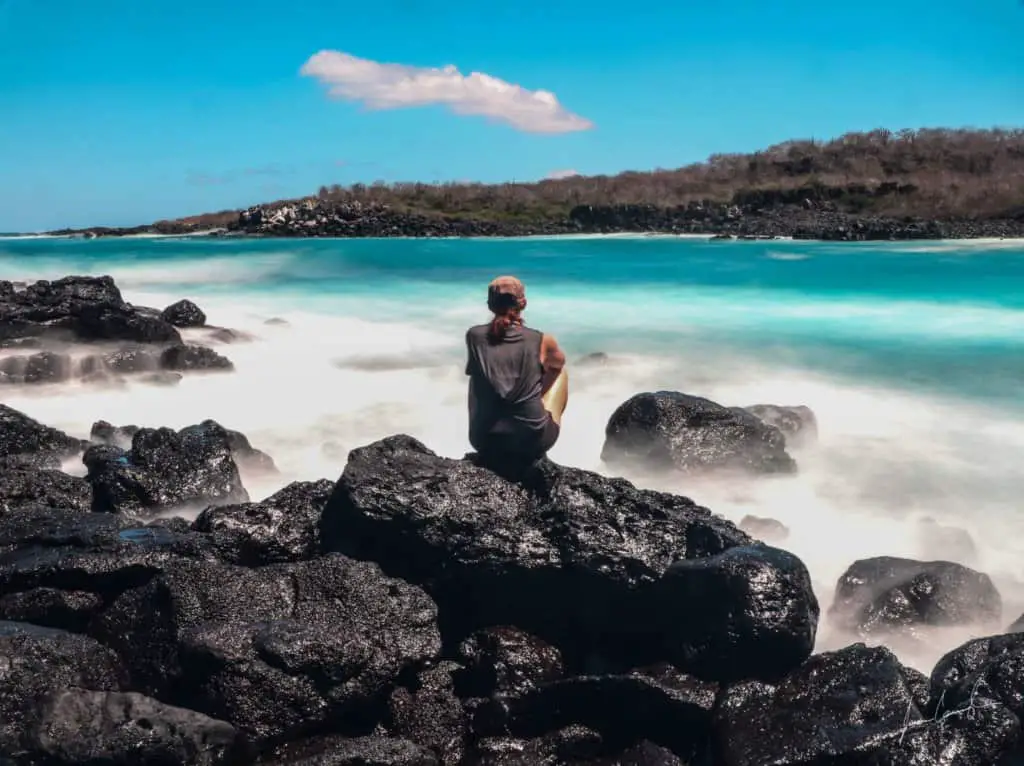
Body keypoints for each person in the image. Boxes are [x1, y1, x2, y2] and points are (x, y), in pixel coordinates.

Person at [465, 275, 568, 464]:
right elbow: (558, 365)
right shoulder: (542, 340)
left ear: (489, 305)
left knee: (477, 375)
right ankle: (534, 414)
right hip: (533, 441)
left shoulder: (474, 336)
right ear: (524, 303)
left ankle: (483, 424)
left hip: (483, 441)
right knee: (560, 371)